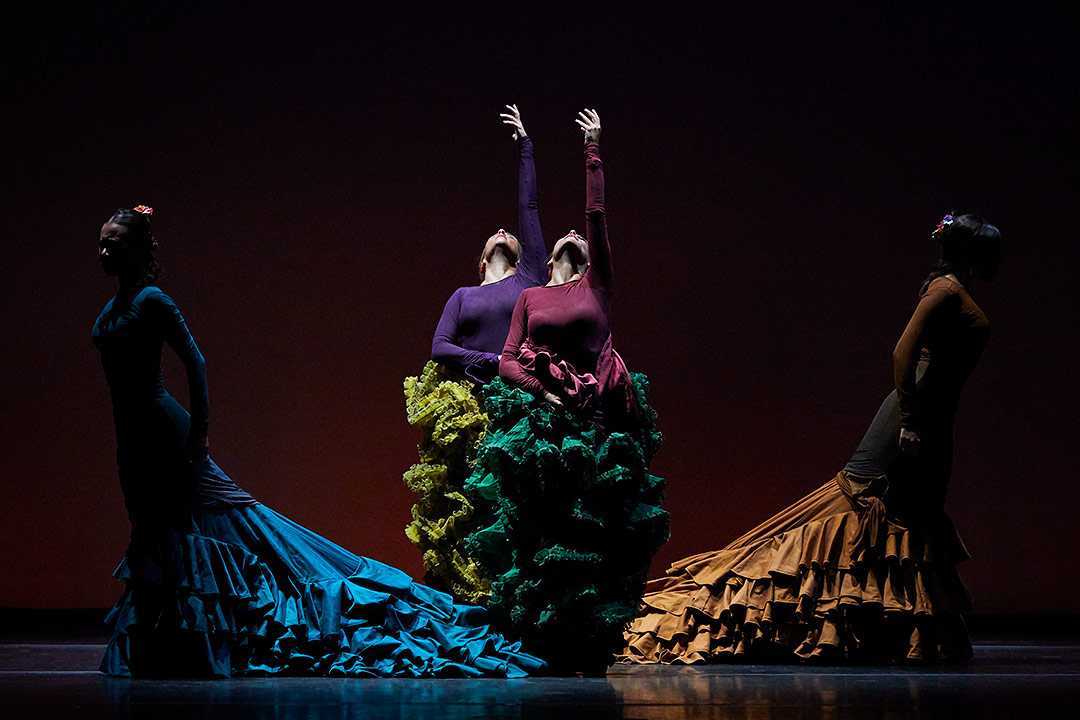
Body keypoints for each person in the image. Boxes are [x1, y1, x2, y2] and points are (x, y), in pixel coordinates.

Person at [93, 206, 544, 678]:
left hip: (167, 433)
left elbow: (196, 363)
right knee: (153, 531)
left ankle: (316, 604)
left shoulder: (153, 301)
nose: (104, 251)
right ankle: (166, 639)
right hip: (132, 441)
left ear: (139, 250)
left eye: (115, 243)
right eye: (101, 243)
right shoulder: (112, 310)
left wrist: (201, 432)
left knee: (220, 524)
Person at [620, 213, 1001, 665]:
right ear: (971, 251)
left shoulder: (957, 291)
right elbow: (903, 352)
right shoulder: (946, 291)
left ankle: (889, 632)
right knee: (859, 508)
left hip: (936, 421)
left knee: (913, 521)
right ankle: (751, 608)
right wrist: (911, 420)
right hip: (911, 418)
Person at [463, 110, 669, 674]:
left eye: (579, 238)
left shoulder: (595, 285)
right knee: (543, 536)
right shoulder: (531, 298)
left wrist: (593, 150)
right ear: (549, 257)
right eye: (566, 239)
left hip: (597, 422)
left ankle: (591, 646)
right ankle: (545, 646)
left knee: (595, 534)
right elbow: (507, 360)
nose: (575, 237)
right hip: (544, 426)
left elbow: (596, 217)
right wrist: (543, 394)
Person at [402, 105, 548, 604]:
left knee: (508, 505)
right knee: (463, 506)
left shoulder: (529, 280)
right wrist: (488, 362)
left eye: (509, 236)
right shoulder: (462, 296)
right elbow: (439, 348)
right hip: (467, 407)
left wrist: (525, 145)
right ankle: (459, 601)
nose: (504, 231)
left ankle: (510, 601)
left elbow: (527, 211)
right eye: (496, 237)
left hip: (514, 406)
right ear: (483, 256)